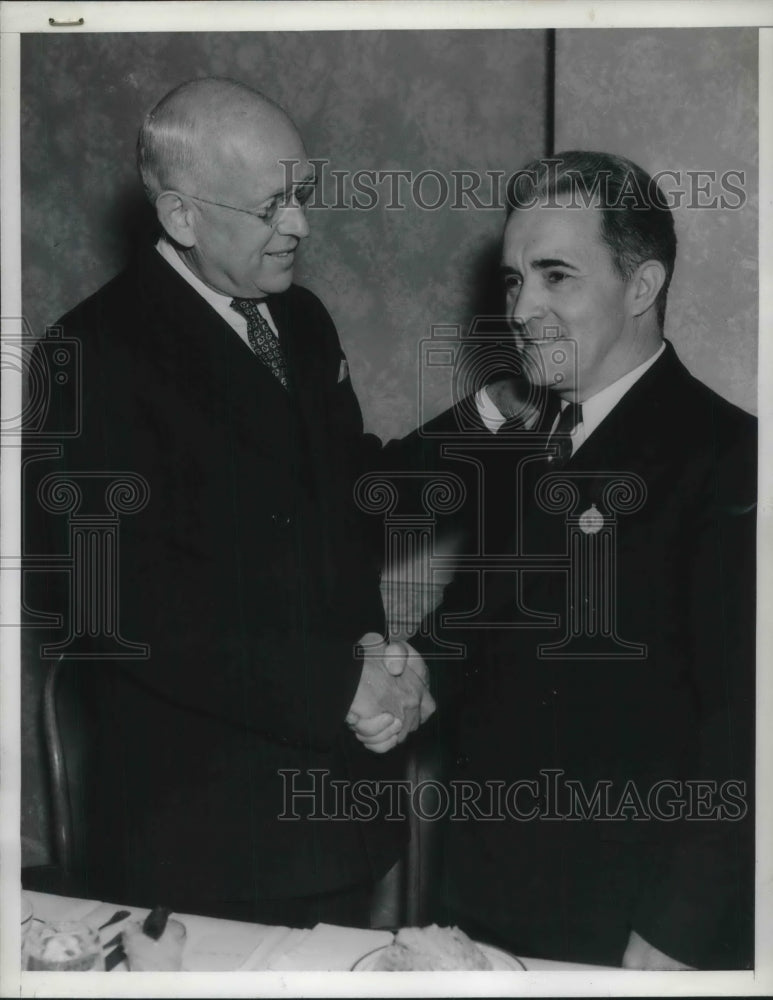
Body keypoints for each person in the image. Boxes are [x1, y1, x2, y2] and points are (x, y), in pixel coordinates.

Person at [22, 77, 434, 927]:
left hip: (338, 805)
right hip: (205, 836)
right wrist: (333, 684)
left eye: (303, 194)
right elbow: (114, 601)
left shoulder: (302, 320)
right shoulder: (91, 352)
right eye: (271, 205)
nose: (301, 226)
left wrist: (488, 424)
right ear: (180, 216)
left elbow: (345, 493)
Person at [355, 151, 756, 968]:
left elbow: (744, 732)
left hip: (634, 933)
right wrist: (415, 675)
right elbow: (475, 628)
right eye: (512, 281)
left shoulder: (731, 460)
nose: (521, 308)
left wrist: (674, 933)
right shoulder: (522, 442)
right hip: (488, 906)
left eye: (555, 277)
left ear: (640, 288)